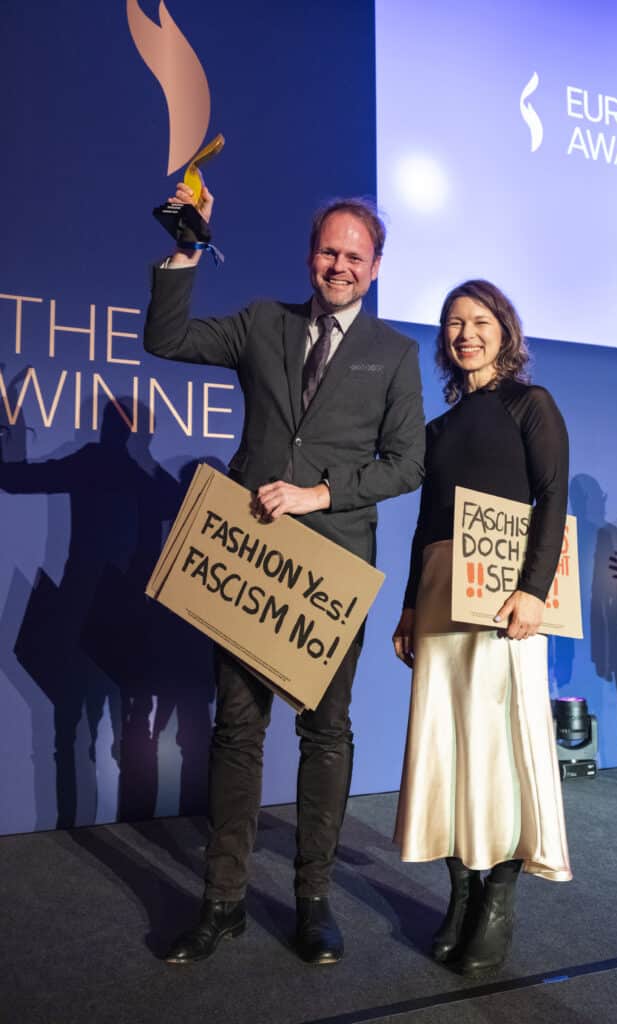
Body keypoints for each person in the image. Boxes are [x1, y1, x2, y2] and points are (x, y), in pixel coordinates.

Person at [143, 181, 425, 965]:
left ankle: (312, 901)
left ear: (375, 268)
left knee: (325, 733)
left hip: (331, 570)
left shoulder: (395, 354)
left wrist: (319, 493)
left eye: (355, 256)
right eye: (330, 251)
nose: (340, 265)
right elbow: (167, 338)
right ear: (311, 257)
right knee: (237, 730)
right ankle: (222, 901)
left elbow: (408, 463)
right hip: (251, 559)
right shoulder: (263, 323)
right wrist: (186, 247)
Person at [392, 279, 571, 977]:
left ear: (504, 330)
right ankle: (461, 892)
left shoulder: (532, 404)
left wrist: (533, 591)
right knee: (448, 745)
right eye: (453, 323)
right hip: (441, 596)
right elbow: (426, 523)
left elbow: (551, 496)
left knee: (497, 746)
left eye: (479, 321)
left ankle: (498, 895)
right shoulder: (437, 430)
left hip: (507, 599)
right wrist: (410, 605)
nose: (466, 333)